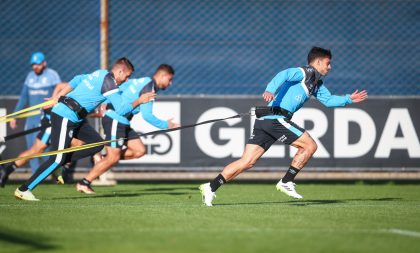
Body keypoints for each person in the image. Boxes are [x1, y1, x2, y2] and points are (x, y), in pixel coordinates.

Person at [199, 47, 368, 206]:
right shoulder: (305, 72)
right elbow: (284, 74)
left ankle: (211, 187)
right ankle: (287, 181)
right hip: (276, 118)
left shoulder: (316, 83)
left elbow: (329, 101)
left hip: (265, 120)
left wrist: (348, 99)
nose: (330, 67)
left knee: (247, 161)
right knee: (310, 146)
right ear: (317, 62)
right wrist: (270, 89)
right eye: (327, 63)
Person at [14, 57, 156, 201]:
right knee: (57, 158)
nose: (127, 80)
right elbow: (121, 109)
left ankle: (61, 161)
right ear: (119, 71)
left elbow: (76, 79)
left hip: (77, 119)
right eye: (127, 76)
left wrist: (58, 96)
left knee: (97, 144)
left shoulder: (100, 73)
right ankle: (24, 189)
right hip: (65, 116)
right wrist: (140, 100)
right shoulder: (109, 82)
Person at [76, 64, 179, 194]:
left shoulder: (142, 80)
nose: (170, 83)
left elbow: (121, 86)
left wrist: (105, 103)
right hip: (116, 119)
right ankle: (83, 183)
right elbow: (147, 115)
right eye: (169, 79)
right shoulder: (149, 87)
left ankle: (103, 158)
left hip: (123, 122)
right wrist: (166, 125)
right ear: (162, 75)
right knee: (113, 158)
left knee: (139, 151)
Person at [10, 52, 64, 173]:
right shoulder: (30, 76)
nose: (35, 67)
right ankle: (35, 176)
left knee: (43, 149)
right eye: (33, 64)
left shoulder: (52, 75)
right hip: (31, 120)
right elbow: (23, 98)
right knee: (31, 149)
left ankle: (55, 173)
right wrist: (15, 116)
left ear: (44, 63)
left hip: (46, 118)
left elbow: (60, 92)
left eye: (38, 64)